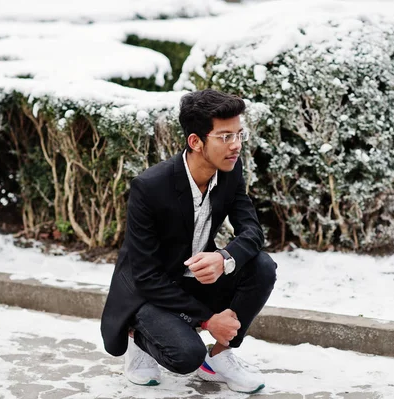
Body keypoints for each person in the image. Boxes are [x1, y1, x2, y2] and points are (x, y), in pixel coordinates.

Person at [100, 89, 278, 394]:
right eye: (224, 136)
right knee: (184, 356)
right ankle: (137, 337)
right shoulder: (150, 187)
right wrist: (209, 320)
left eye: (239, 134)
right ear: (195, 141)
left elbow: (252, 233)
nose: (235, 145)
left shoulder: (230, 170)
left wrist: (223, 258)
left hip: (192, 278)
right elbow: (145, 276)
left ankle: (219, 360)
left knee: (261, 266)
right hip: (149, 292)